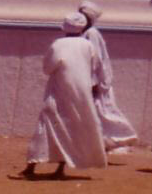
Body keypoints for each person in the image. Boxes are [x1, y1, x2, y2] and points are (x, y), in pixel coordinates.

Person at [21, 11, 107, 181]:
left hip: (59, 91)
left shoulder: (58, 44)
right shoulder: (87, 45)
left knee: (46, 124)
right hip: (82, 92)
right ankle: (60, 168)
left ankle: (31, 167)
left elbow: (47, 68)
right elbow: (94, 66)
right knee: (72, 128)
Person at [78, 0, 139, 152]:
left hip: (95, 83)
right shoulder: (85, 33)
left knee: (102, 113)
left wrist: (94, 82)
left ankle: (119, 138)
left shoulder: (91, 33)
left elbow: (96, 59)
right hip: (90, 81)